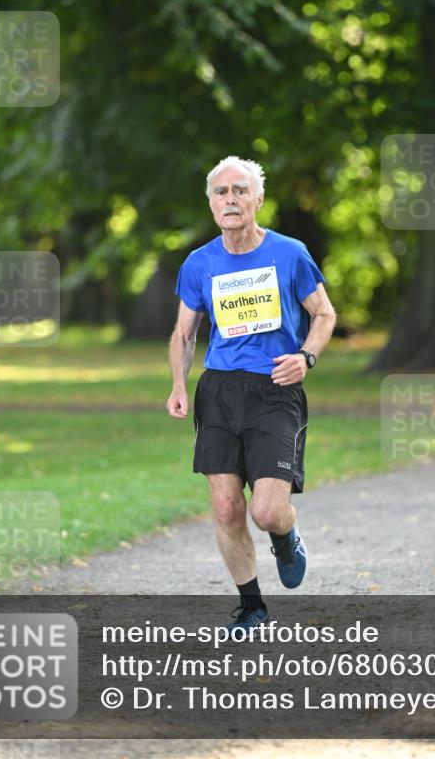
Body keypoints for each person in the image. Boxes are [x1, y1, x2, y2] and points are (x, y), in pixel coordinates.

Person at [166, 156, 336, 635]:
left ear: (258, 199)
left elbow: (324, 315)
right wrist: (179, 384)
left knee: (266, 511)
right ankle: (252, 606)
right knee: (224, 506)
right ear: (211, 204)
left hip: (276, 389)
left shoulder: (290, 253)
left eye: (240, 190)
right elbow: (184, 333)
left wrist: (305, 357)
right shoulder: (199, 264)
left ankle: (285, 536)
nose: (230, 200)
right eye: (221, 193)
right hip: (219, 389)